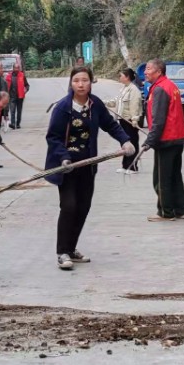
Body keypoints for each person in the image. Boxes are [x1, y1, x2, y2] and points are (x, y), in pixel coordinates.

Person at [45, 66, 135, 270]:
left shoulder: (96, 105)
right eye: (76, 80)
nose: (81, 84)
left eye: (85, 80)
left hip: (88, 165)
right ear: (71, 83)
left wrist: (125, 141)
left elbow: (110, 125)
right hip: (66, 167)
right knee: (69, 206)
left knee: (83, 207)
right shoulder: (63, 108)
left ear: (90, 82)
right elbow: (53, 137)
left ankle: (72, 248)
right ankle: (62, 252)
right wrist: (64, 158)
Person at [142, 58, 184, 221]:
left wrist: (150, 141)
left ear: (158, 71)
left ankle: (166, 212)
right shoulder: (170, 86)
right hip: (178, 138)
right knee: (175, 175)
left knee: (161, 179)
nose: (145, 72)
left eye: (148, 69)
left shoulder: (160, 89)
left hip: (167, 140)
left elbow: (159, 120)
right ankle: (181, 210)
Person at [106, 67, 142, 173]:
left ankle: (133, 166)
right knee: (125, 143)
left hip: (130, 121)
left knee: (133, 143)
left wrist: (134, 120)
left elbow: (134, 106)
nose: (119, 77)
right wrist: (104, 102)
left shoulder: (134, 90)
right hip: (123, 120)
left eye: (121, 75)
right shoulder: (124, 88)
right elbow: (116, 102)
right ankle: (125, 165)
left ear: (127, 77)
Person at [6, 62, 29, 129]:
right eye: (15, 68)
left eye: (18, 68)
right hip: (12, 96)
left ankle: (18, 124)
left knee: (19, 111)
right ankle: (12, 124)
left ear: (19, 68)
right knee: (12, 111)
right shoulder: (9, 76)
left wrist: (26, 90)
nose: (16, 69)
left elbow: (27, 85)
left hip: (20, 97)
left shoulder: (22, 75)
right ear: (13, 68)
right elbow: (5, 85)